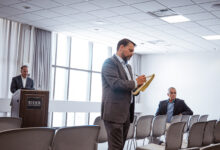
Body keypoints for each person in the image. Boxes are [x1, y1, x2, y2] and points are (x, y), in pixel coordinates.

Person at [101, 38, 146, 150]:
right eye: (130, 50)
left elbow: (129, 88)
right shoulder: (109, 63)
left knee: (119, 147)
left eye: (133, 51)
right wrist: (135, 82)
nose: (132, 54)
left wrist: (138, 86)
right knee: (115, 147)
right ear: (121, 47)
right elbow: (115, 84)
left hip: (126, 114)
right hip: (114, 114)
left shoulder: (128, 67)